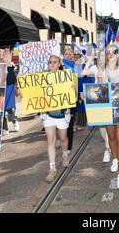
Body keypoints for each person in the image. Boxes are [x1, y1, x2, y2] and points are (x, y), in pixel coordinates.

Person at [96, 44, 119, 189]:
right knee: (111, 138)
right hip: (107, 108)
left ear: (118, 54)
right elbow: (97, 92)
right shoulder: (101, 71)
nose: (111, 54)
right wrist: (87, 95)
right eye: (108, 52)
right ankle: (115, 158)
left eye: (114, 52)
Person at [43, 55, 72, 183]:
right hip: (47, 113)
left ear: (59, 63)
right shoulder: (42, 78)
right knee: (50, 140)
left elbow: (73, 93)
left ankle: (65, 155)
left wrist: (72, 89)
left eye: (55, 62)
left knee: (63, 138)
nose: (52, 64)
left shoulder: (65, 76)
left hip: (62, 113)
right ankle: (52, 168)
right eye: (50, 62)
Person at [81, 49, 112, 163]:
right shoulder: (95, 68)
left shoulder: (112, 68)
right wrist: (89, 60)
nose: (102, 58)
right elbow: (83, 73)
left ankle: (107, 149)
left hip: (109, 98)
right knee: (102, 128)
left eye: (105, 56)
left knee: (109, 124)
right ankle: (108, 145)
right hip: (98, 98)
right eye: (101, 56)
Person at [0, 49, 20, 135]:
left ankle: (14, 120)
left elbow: (15, 77)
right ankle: (5, 128)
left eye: (0, 53)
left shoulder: (10, 64)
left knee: (9, 108)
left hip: (9, 87)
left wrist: (17, 88)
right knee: (1, 108)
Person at [62, 47, 77, 155]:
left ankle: (68, 148)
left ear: (72, 55)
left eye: (69, 54)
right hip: (62, 98)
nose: (67, 55)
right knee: (63, 124)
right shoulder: (60, 66)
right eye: (66, 54)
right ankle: (64, 144)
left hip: (73, 98)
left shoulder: (76, 66)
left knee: (70, 124)